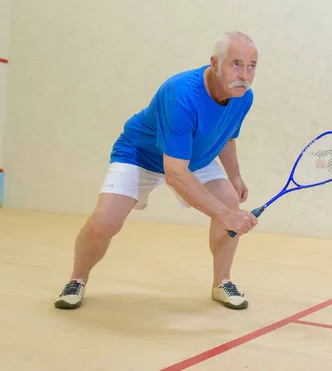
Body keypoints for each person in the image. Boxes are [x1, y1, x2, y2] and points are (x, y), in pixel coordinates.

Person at [54, 31, 259, 311]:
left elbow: (227, 135)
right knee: (105, 222)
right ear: (214, 63)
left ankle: (222, 282)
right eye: (236, 64)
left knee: (228, 199)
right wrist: (226, 216)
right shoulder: (180, 94)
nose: (244, 74)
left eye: (251, 66)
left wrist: (234, 177)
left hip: (194, 157)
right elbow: (175, 174)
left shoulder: (243, 97)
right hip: (140, 154)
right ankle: (77, 279)